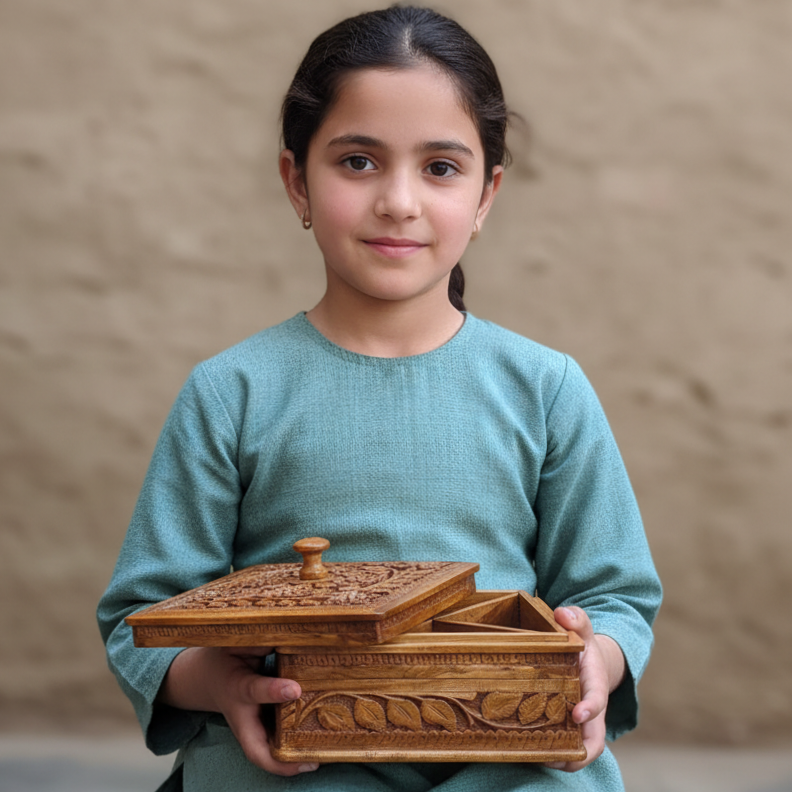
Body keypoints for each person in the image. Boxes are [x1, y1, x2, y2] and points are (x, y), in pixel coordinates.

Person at [98, 6, 662, 792]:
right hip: (294, 759)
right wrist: (221, 686)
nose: (399, 201)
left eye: (440, 167)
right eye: (358, 162)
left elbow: (615, 596)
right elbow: (142, 616)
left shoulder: (545, 387)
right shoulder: (233, 391)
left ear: (487, 193)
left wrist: (593, 661)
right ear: (297, 178)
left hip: (511, 758)